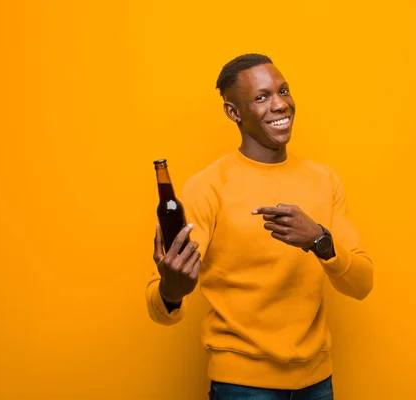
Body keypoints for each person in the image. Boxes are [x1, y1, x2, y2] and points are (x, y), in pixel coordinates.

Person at [146, 53, 374, 400]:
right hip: (242, 387)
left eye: (283, 91)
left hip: (318, 382)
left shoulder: (324, 180)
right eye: (262, 97)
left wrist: (321, 241)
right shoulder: (207, 187)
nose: (281, 104)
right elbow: (161, 308)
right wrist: (171, 290)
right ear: (233, 112)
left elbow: (362, 284)